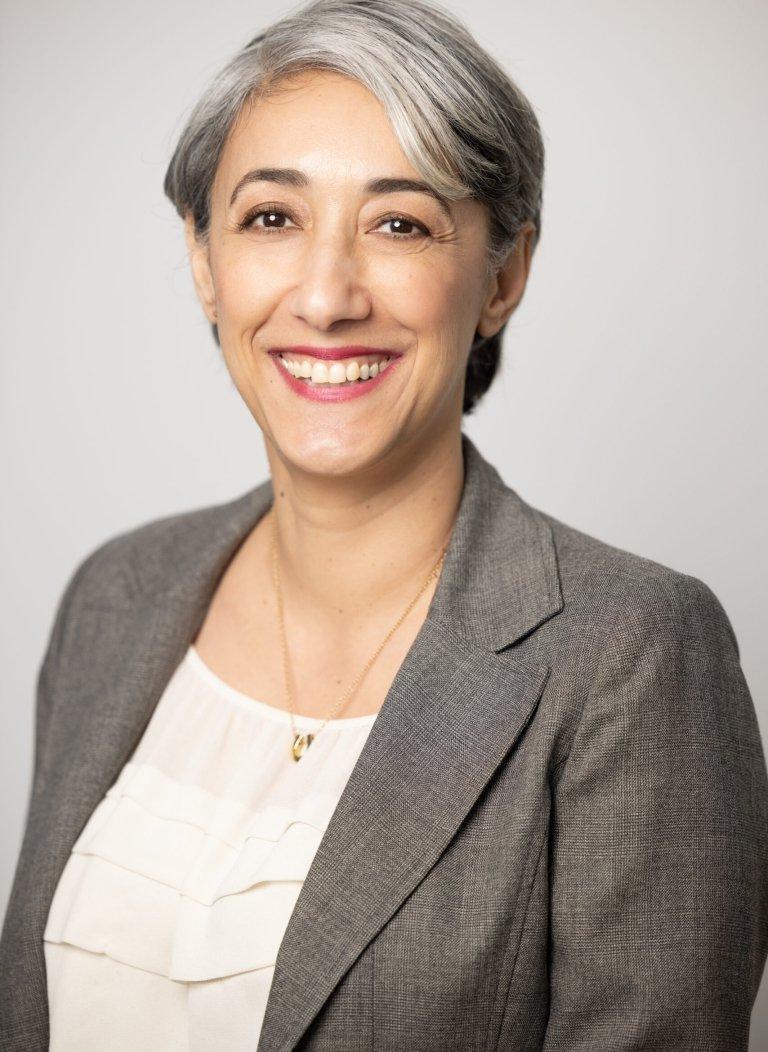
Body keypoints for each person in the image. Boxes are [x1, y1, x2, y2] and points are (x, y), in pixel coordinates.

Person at [2, 0, 766, 1048]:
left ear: (503, 275)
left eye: (399, 222)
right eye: (272, 218)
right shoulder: (115, 596)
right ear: (202, 258)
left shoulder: (632, 652)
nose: (324, 295)